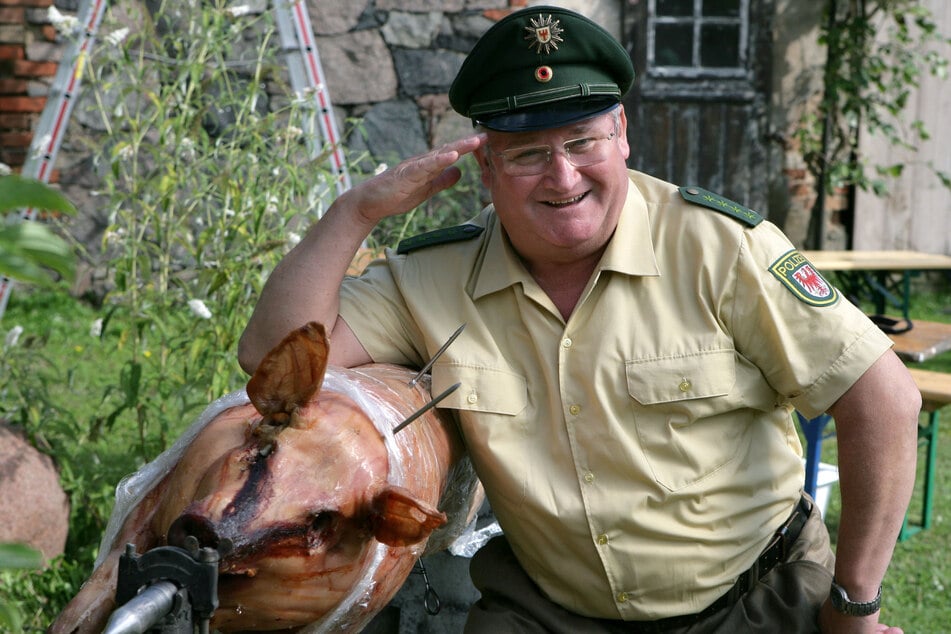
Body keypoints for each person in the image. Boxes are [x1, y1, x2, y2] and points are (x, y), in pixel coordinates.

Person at [238, 6, 921, 633]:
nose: (562, 178)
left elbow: (882, 400)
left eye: (581, 141)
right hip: (551, 611)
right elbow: (270, 354)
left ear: (621, 132)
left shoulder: (721, 248)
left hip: (753, 597)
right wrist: (355, 213)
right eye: (529, 153)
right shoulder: (433, 278)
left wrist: (854, 602)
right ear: (486, 165)